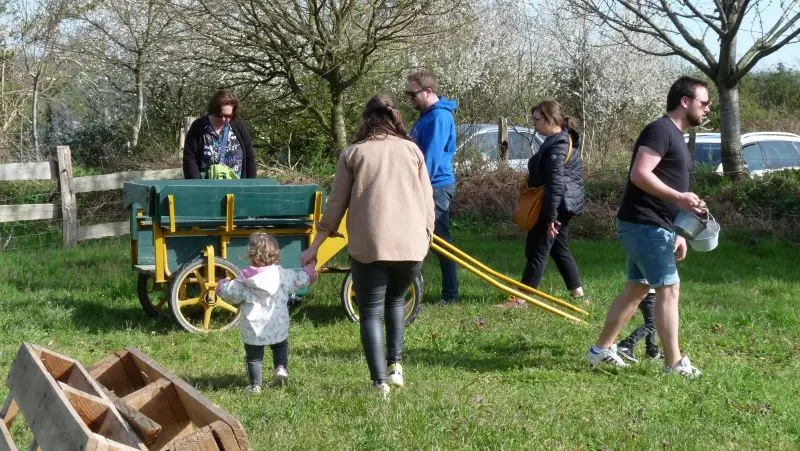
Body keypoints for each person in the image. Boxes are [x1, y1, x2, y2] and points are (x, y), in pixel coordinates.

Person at [300, 93, 434, 398]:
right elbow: (429, 202)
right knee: (397, 302)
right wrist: (426, 237)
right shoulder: (413, 151)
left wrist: (314, 248)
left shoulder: (353, 154)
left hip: (369, 247)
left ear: (366, 119)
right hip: (411, 248)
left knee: (371, 311)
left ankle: (378, 383)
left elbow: (334, 208)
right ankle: (396, 368)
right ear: (394, 117)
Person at [586, 76, 710, 378]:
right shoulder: (660, 131)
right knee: (669, 289)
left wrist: (679, 231)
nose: (707, 109)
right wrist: (680, 198)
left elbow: (665, 185)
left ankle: (600, 350)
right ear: (685, 101)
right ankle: (674, 364)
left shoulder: (674, 135)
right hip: (644, 225)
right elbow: (640, 174)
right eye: (703, 103)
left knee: (637, 288)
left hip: (652, 226)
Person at [500, 100, 586, 308]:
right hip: (562, 204)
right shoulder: (558, 139)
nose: (534, 123)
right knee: (559, 248)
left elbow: (555, 184)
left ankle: (522, 299)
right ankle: (579, 295)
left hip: (557, 205)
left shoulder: (559, 144)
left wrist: (550, 217)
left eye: (537, 119)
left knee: (537, 249)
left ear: (550, 118)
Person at [216, 231, 317, 392]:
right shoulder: (282, 275)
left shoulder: (244, 281)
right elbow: (300, 279)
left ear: (251, 256)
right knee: (280, 345)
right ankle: (280, 368)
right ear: (275, 256)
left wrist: (221, 285)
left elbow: (231, 293)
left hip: (253, 328)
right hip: (277, 322)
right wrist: (310, 269)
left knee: (254, 357)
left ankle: (255, 385)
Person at [405, 70, 460, 305]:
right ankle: (411, 288)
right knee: (425, 240)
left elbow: (431, 159)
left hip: (435, 187)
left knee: (439, 242)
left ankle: (450, 295)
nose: (410, 99)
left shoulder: (439, 118)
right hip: (427, 185)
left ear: (428, 91)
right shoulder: (427, 115)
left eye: (413, 94)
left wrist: (416, 189)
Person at [183, 90, 257, 179]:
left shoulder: (238, 126)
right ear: (213, 110)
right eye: (219, 115)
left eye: (228, 116)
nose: (223, 119)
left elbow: (249, 157)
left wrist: (252, 185)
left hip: (237, 186)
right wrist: (196, 186)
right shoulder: (199, 126)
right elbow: (190, 158)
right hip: (206, 186)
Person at [616, 289, 662, 362]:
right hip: (649, 294)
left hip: (645, 292)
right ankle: (626, 345)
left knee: (652, 321)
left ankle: (652, 351)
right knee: (653, 323)